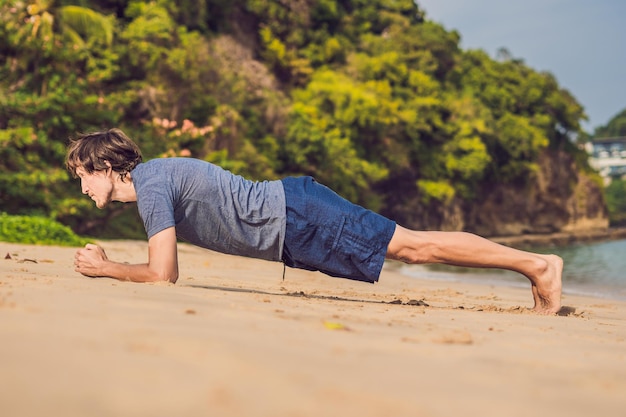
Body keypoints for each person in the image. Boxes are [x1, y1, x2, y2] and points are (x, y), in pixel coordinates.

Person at [67, 128, 563, 314]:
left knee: (415, 248)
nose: (83, 187)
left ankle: (538, 266)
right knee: (413, 245)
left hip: (299, 216)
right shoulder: (155, 182)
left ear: (106, 167)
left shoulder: (152, 186)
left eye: (83, 176)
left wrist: (106, 268)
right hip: (295, 222)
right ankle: (533, 266)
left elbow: (163, 276)